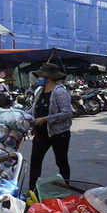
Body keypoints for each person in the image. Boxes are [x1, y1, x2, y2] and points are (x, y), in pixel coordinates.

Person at [28, 62, 72, 190]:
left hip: (59, 134)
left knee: (61, 161)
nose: (38, 79)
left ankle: (66, 187)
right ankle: (32, 191)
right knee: (35, 161)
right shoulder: (39, 91)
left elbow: (67, 113)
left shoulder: (60, 92)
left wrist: (45, 119)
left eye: (40, 76)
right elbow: (33, 110)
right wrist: (20, 115)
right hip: (41, 134)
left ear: (49, 78)